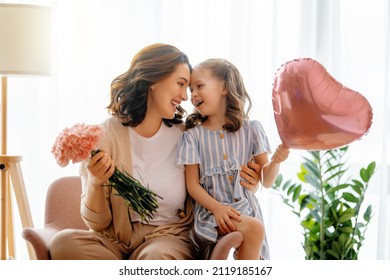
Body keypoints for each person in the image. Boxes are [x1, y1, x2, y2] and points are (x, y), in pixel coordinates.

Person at [49, 44, 261, 260]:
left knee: (156, 258)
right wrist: (96, 182)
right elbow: (96, 224)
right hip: (114, 242)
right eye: (180, 84)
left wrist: (252, 181)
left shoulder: (186, 136)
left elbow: (217, 177)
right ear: (153, 80)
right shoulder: (106, 135)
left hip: (167, 239)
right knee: (63, 243)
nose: (185, 97)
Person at [177, 58, 290, 260]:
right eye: (191, 89)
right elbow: (192, 185)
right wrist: (217, 208)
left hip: (247, 211)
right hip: (212, 214)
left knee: (254, 231)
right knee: (254, 229)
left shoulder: (252, 130)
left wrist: (276, 162)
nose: (193, 94)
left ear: (225, 88)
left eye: (200, 86)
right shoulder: (193, 136)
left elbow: (267, 180)